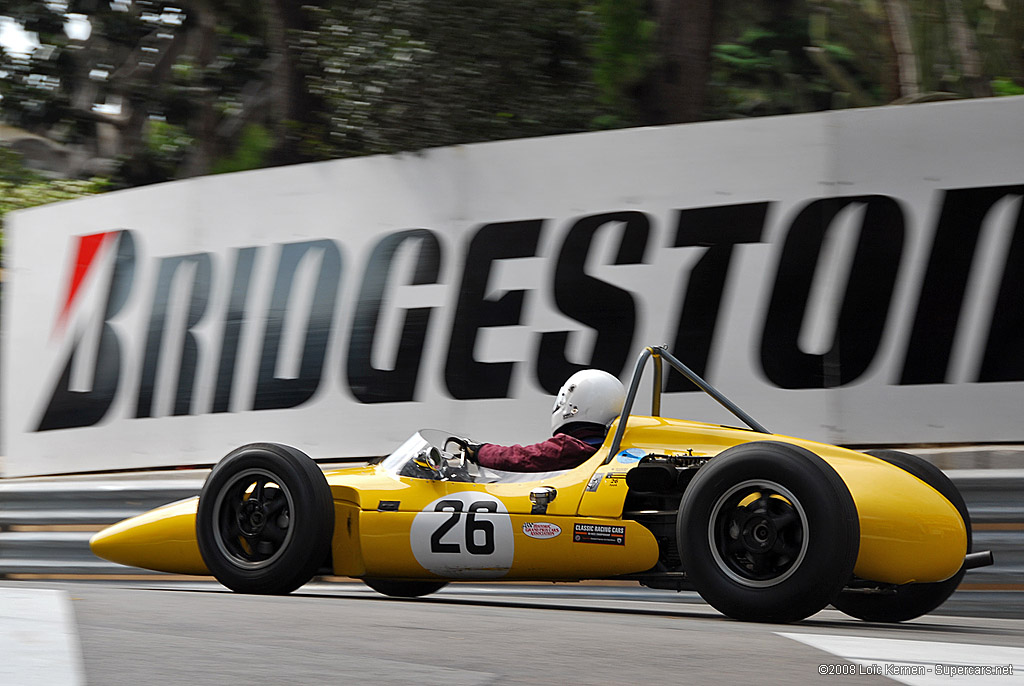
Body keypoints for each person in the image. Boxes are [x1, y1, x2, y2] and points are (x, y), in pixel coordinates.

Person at [469, 369, 626, 472]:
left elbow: (519, 459)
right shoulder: (619, 449)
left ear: (573, 403)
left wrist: (479, 451)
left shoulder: (569, 449)